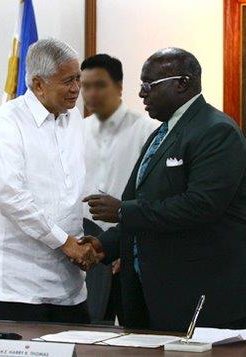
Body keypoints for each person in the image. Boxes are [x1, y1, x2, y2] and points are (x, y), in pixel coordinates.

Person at [79, 48, 246, 331]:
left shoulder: (216, 131)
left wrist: (122, 210)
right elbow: (141, 206)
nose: (142, 94)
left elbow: (200, 206)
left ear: (182, 83)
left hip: (209, 299)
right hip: (156, 298)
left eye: (148, 86)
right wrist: (103, 245)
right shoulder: (160, 134)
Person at [0, 38, 96, 324]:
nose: (77, 89)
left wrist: (101, 243)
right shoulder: (7, 121)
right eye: (68, 80)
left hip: (70, 285)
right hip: (18, 286)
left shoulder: (74, 118)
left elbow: (78, 188)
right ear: (38, 85)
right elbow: (9, 195)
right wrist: (63, 241)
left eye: (79, 78)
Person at [81, 54, 159, 324]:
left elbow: (153, 197)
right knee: (87, 333)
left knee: (133, 335)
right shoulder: (74, 133)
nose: (91, 93)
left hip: (130, 247)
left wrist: (129, 247)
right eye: (85, 86)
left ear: (119, 86)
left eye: (99, 85)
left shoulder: (148, 131)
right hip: (87, 249)